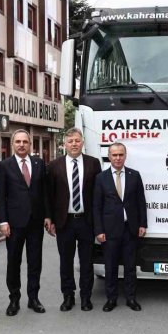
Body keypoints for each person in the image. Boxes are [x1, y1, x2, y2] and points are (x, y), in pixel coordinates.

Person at [45, 128, 102, 311]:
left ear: (82, 142)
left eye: (77, 140)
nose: (74, 144)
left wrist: (99, 222)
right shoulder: (54, 165)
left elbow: (98, 195)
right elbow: (49, 195)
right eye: (70, 141)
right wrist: (49, 218)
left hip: (86, 221)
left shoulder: (93, 163)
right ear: (65, 144)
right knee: (66, 262)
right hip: (64, 221)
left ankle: (86, 297)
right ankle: (68, 296)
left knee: (87, 262)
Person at [0, 129, 48, 317]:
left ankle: (33, 298)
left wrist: (47, 216)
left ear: (30, 144)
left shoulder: (39, 164)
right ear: (12, 144)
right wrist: (3, 221)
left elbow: (44, 193)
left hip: (35, 222)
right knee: (13, 262)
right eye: (18, 141)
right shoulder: (4, 166)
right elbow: (0, 196)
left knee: (35, 262)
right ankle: (14, 299)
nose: (21, 145)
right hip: (14, 223)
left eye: (25, 142)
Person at [93, 143, 148, 312]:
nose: (118, 158)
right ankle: (111, 299)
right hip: (109, 231)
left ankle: (131, 298)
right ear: (109, 156)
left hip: (130, 229)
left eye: (121, 154)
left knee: (130, 266)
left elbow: (141, 202)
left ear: (125, 156)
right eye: (115, 155)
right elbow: (97, 206)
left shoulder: (134, 175)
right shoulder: (101, 178)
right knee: (110, 267)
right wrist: (99, 230)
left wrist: (142, 224)